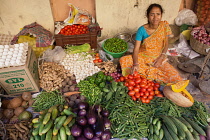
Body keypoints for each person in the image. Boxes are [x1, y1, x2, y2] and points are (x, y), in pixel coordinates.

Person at [119, 3, 183, 84]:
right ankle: (153, 75)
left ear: (161, 15)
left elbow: (166, 44)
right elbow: (136, 49)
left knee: (176, 78)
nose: (155, 18)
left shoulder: (164, 26)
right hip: (143, 57)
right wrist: (135, 64)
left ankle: (147, 75)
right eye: (152, 14)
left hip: (158, 58)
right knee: (124, 60)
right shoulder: (141, 30)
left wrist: (161, 58)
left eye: (158, 14)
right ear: (148, 16)